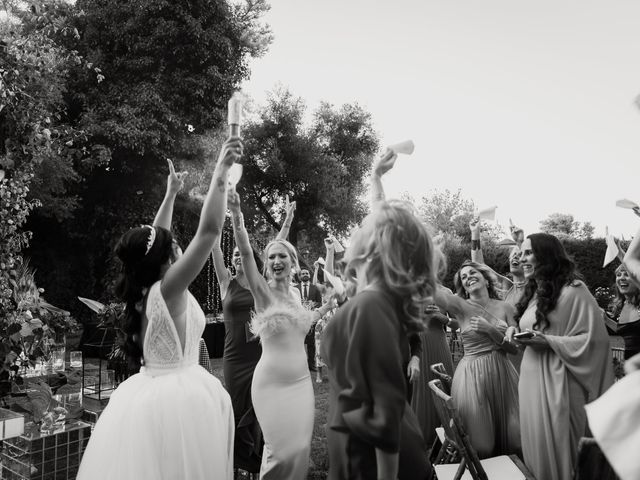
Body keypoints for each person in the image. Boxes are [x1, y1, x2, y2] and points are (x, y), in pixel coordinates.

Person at [78, 140, 243, 480]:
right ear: (166, 259)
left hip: (150, 394)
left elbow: (159, 237)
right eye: (177, 246)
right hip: (180, 402)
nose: (181, 246)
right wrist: (221, 171)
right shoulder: (168, 289)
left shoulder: (149, 289)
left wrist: (170, 195)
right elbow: (210, 231)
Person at [322, 149, 432, 480]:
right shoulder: (383, 302)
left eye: (364, 229)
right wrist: (375, 179)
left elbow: (382, 419)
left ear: (374, 248)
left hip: (375, 463)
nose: (357, 231)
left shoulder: (370, 306)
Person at [227, 186, 334, 480]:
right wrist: (237, 216)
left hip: (301, 384)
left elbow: (303, 321)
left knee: (299, 450)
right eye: (271, 257)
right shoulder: (262, 292)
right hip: (271, 385)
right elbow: (247, 254)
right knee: (278, 453)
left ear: (292, 262)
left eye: (282, 257)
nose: (276, 261)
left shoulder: (297, 296)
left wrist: (326, 308)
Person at [514, 233, 614, 480]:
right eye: (521, 253)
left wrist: (547, 341)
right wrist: (511, 330)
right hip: (531, 381)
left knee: (564, 453)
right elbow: (528, 326)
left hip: (561, 383)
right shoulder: (534, 293)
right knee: (535, 446)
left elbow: (595, 340)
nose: (521, 258)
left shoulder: (574, 290)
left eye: (528, 253)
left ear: (546, 254)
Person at [212, 196, 295, 475]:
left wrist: (286, 222)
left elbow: (276, 247)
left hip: (259, 352)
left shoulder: (260, 280)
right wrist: (213, 218)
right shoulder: (226, 283)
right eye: (233, 254)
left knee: (260, 405)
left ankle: (258, 457)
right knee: (236, 405)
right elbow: (215, 250)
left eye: (240, 254)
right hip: (234, 355)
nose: (237, 256)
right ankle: (237, 461)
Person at [434, 259, 521, 458]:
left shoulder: (506, 307)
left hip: (503, 374)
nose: (468, 277)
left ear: (486, 279)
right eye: (463, 277)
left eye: (473, 273)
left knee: (516, 438)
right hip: (473, 377)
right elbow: (431, 291)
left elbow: (514, 349)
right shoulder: (461, 306)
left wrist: (491, 330)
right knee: (482, 445)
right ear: (463, 286)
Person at [409, 302, 454, 446]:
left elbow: (458, 325)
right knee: (420, 388)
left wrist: (442, 318)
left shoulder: (445, 294)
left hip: (438, 343)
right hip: (416, 345)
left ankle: (450, 432)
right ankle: (420, 434)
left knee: (444, 386)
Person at [606, 264, 640, 360]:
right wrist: (605, 319)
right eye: (618, 275)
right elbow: (625, 330)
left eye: (627, 274)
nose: (621, 278)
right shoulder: (620, 306)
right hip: (629, 369)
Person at [297, 267, 323, 371]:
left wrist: (313, 304)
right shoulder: (295, 288)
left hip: (312, 318)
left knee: (311, 343)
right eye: (302, 273)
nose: (305, 275)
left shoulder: (315, 288)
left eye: (306, 273)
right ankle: (300, 365)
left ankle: (311, 365)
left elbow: (320, 302)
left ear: (309, 275)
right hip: (298, 319)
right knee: (299, 342)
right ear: (300, 276)